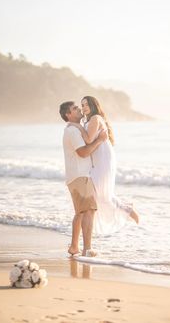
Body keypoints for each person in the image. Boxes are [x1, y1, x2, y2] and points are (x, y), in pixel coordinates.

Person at [68, 96, 139, 235]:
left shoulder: (95, 118)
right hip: (97, 159)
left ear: (94, 105)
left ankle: (128, 209)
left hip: (103, 159)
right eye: (82, 105)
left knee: (102, 196)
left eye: (87, 104)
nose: (84, 107)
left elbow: (88, 140)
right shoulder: (88, 121)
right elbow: (88, 140)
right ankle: (127, 208)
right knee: (99, 196)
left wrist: (77, 126)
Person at [59, 101, 108, 256]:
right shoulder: (73, 131)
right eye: (75, 108)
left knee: (81, 212)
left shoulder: (72, 130)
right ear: (68, 115)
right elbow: (83, 152)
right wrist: (100, 140)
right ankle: (87, 249)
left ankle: (74, 247)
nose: (79, 109)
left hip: (75, 176)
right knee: (89, 210)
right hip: (81, 175)